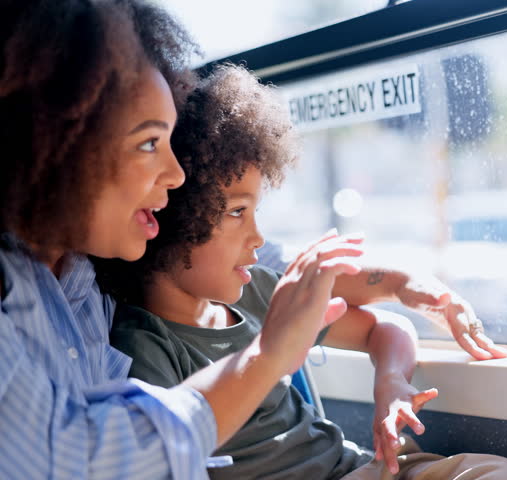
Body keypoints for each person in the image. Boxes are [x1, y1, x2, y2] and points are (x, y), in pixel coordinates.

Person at [101, 64, 507, 480]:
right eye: (238, 212)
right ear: (175, 216)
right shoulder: (144, 346)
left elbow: (383, 329)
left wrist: (390, 382)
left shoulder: (258, 292)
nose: (257, 237)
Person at [0, 2, 360, 478]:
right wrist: (266, 356)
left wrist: (399, 283)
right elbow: (82, 458)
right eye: (149, 143)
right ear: (56, 144)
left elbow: (260, 258)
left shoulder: (90, 273)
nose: (175, 175)